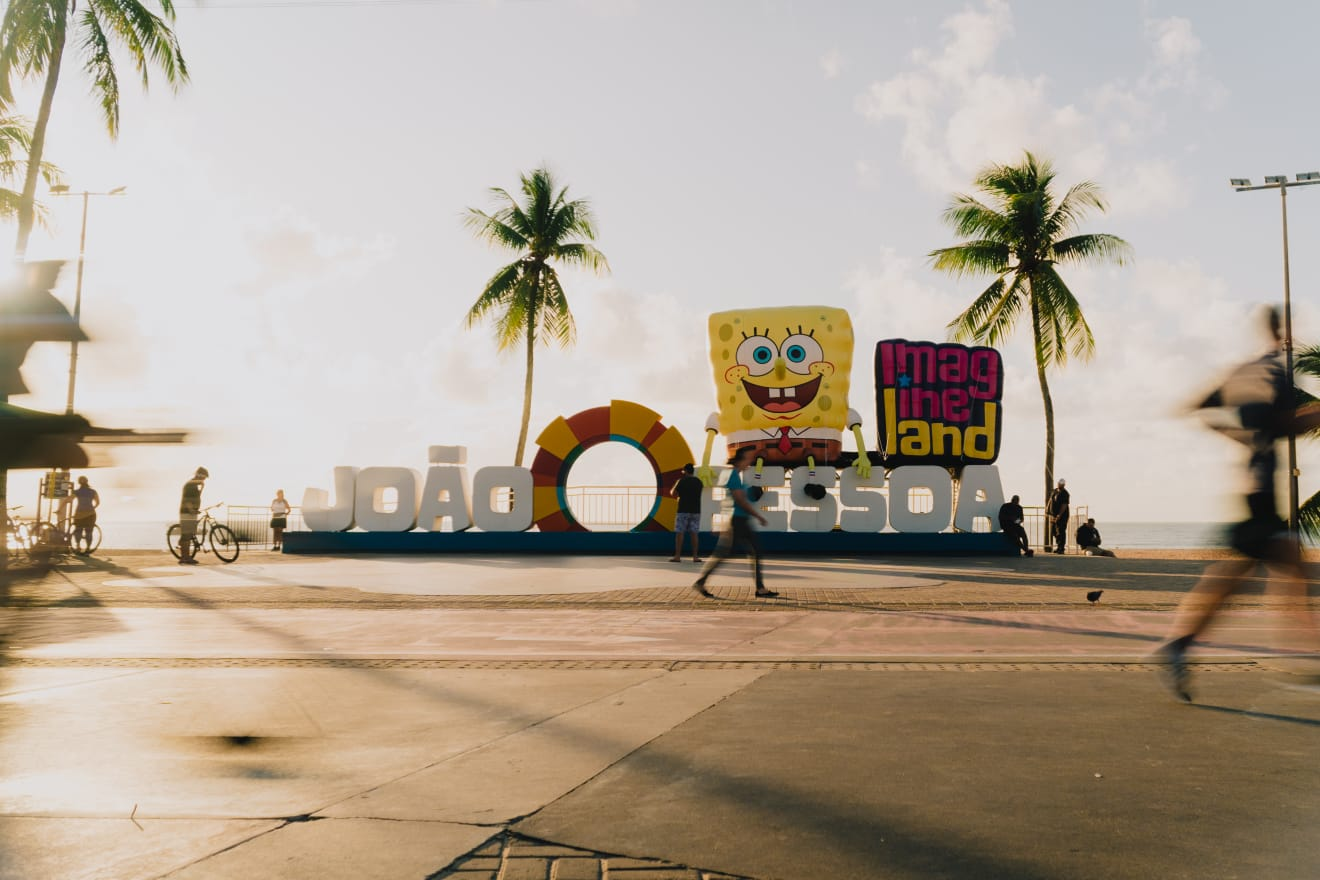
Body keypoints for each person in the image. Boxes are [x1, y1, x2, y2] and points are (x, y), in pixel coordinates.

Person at [1154, 306, 1320, 702]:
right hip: (1258, 494)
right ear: (1282, 332)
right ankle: (1179, 646)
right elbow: (1283, 424)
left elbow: (1199, 406)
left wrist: (1237, 430)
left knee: (1266, 574)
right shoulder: (1273, 372)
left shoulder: (1247, 371)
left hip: (1255, 492)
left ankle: (1178, 646)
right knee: (1272, 575)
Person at [692, 446, 777, 599]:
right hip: (739, 521)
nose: (750, 462)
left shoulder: (731, 474)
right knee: (753, 551)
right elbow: (739, 499)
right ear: (741, 459)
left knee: (725, 553)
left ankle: (701, 582)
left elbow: (730, 500)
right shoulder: (733, 474)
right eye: (748, 459)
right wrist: (758, 516)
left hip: (735, 520)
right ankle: (760, 588)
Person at [668, 463, 704, 562]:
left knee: (680, 533)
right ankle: (695, 556)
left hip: (683, 510)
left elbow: (673, 493)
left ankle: (677, 556)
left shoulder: (681, 481)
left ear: (685, 471)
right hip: (696, 510)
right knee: (694, 533)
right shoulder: (699, 482)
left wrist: (677, 489)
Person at [178, 467, 207, 565]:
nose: (204, 480)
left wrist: (202, 488)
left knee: (188, 534)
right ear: (199, 475)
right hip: (187, 512)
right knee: (186, 535)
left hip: (191, 512)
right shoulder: (190, 485)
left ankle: (186, 555)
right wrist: (191, 510)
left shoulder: (194, 485)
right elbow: (186, 499)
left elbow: (197, 497)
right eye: (204, 478)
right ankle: (184, 558)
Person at [71, 475, 99, 555]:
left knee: (78, 530)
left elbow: (68, 500)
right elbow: (97, 502)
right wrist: (92, 508)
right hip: (90, 514)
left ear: (79, 482)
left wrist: (59, 509)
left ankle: (78, 547)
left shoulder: (77, 491)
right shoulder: (93, 491)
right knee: (89, 532)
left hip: (79, 514)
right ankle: (88, 549)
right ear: (87, 481)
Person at [1046, 478, 1070, 554]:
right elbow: (1050, 500)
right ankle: (1059, 545)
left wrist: (1059, 515)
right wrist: (1047, 510)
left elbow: (1064, 505)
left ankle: (1061, 548)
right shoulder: (1054, 491)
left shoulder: (1065, 493)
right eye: (1059, 483)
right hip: (1054, 514)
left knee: (1061, 531)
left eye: (1062, 484)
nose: (1060, 485)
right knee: (1053, 531)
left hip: (1062, 515)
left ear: (1064, 485)